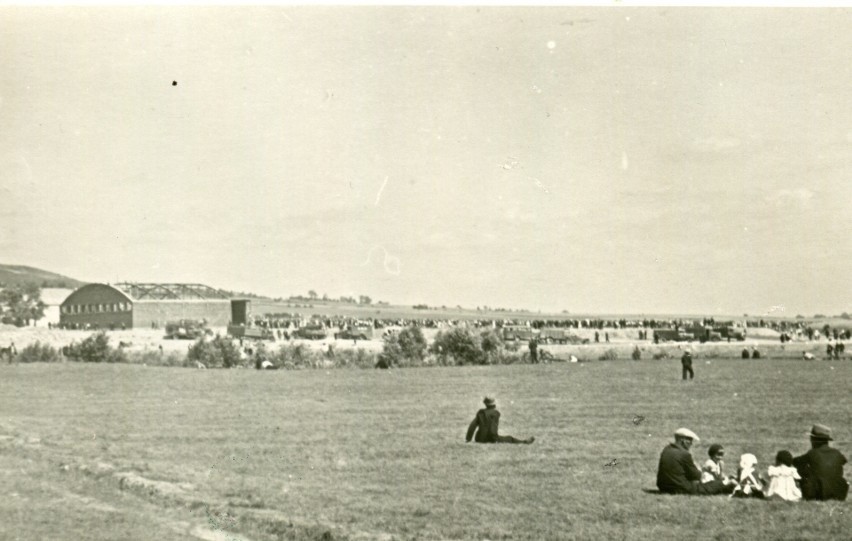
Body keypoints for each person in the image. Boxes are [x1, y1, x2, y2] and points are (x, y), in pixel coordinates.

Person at [656, 428, 733, 495]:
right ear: (683, 440)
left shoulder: (666, 449)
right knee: (715, 485)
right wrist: (698, 468)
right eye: (689, 440)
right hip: (680, 488)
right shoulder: (684, 454)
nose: (691, 443)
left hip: (663, 487)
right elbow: (696, 476)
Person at [792, 424, 849, 501]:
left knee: (801, 469)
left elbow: (795, 462)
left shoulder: (812, 453)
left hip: (819, 494)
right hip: (839, 494)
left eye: (811, 438)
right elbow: (843, 461)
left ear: (814, 440)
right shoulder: (837, 453)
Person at [465, 397, 534, 444]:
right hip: (491, 438)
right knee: (510, 438)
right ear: (494, 404)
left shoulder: (480, 413)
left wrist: (468, 439)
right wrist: (494, 438)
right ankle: (524, 442)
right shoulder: (496, 413)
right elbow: (492, 429)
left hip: (479, 439)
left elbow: (472, 426)